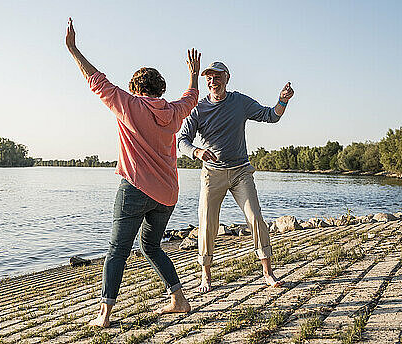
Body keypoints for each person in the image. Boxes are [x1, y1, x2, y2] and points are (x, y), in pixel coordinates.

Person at [65, 18, 200, 327]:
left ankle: (105, 314)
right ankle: (179, 298)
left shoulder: (128, 104)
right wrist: (192, 74)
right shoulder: (174, 110)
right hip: (167, 195)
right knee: (151, 246)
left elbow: (96, 79)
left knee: (117, 251)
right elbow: (191, 97)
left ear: (137, 89)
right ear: (160, 89)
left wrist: (73, 49)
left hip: (136, 189)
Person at [177, 61, 294, 292]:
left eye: (217, 77)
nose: (213, 81)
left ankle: (268, 272)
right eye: (209, 78)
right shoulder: (198, 109)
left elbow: (271, 116)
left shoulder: (239, 102)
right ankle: (206, 275)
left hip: (241, 171)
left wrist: (283, 100)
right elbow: (182, 141)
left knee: (255, 218)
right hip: (212, 173)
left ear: (227, 78)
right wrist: (197, 151)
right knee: (207, 223)